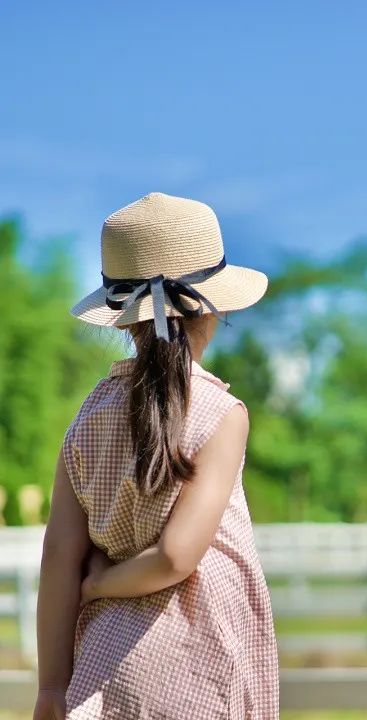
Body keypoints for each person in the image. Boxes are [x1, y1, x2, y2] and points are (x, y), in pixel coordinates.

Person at [32, 192, 280, 719]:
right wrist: (101, 583)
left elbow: (58, 556)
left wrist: (51, 686)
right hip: (203, 663)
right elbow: (174, 557)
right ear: (214, 309)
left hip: (107, 666)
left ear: (123, 320)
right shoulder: (221, 413)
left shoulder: (88, 418)